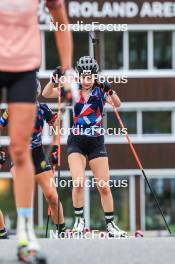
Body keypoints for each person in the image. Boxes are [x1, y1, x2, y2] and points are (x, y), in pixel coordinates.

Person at [0, 0, 73, 262]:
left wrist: (67, 72)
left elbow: (59, 17)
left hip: (23, 68)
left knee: (20, 150)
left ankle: (24, 233)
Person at [42, 56, 127, 238]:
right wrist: (54, 79)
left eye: (90, 77)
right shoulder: (71, 89)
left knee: (104, 186)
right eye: (84, 77)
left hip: (96, 142)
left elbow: (118, 104)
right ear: (79, 76)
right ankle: (79, 221)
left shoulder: (101, 90)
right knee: (78, 182)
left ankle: (111, 224)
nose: (87, 81)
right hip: (76, 142)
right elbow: (46, 93)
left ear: (95, 76)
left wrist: (109, 90)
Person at [0, 80, 66, 235]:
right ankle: (25, 230)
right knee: (24, 195)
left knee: (52, 196)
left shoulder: (43, 109)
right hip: (20, 155)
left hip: (38, 155)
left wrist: (55, 145)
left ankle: (62, 231)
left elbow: (56, 123)